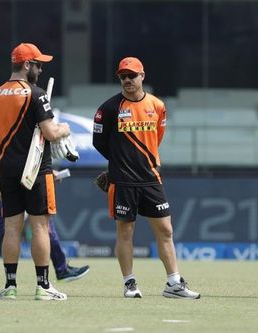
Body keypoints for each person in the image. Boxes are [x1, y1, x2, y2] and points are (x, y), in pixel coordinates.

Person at [92, 56, 200, 299]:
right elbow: (98, 142)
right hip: (123, 181)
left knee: (165, 230)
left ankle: (173, 284)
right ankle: (129, 283)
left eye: (132, 75)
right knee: (125, 232)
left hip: (151, 178)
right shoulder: (108, 108)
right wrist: (118, 163)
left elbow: (157, 137)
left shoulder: (158, 105)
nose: (128, 80)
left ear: (142, 76)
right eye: (123, 76)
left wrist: (143, 161)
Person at [0, 42, 71, 301]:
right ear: (27, 65)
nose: (41, 70)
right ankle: (43, 287)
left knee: (12, 227)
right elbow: (51, 133)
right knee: (40, 227)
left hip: (6, 168)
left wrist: (15, 143)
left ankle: (10, 286)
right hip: (36, 169)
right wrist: (64, 128)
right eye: (38, 64)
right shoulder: (36, 93)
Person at [0, 184, 90, 284]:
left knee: (2, 227)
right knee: (43, 227)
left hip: (13, 181)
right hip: (28, 182)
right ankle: (61, 270)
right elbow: (29, 158)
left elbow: (6, 158)